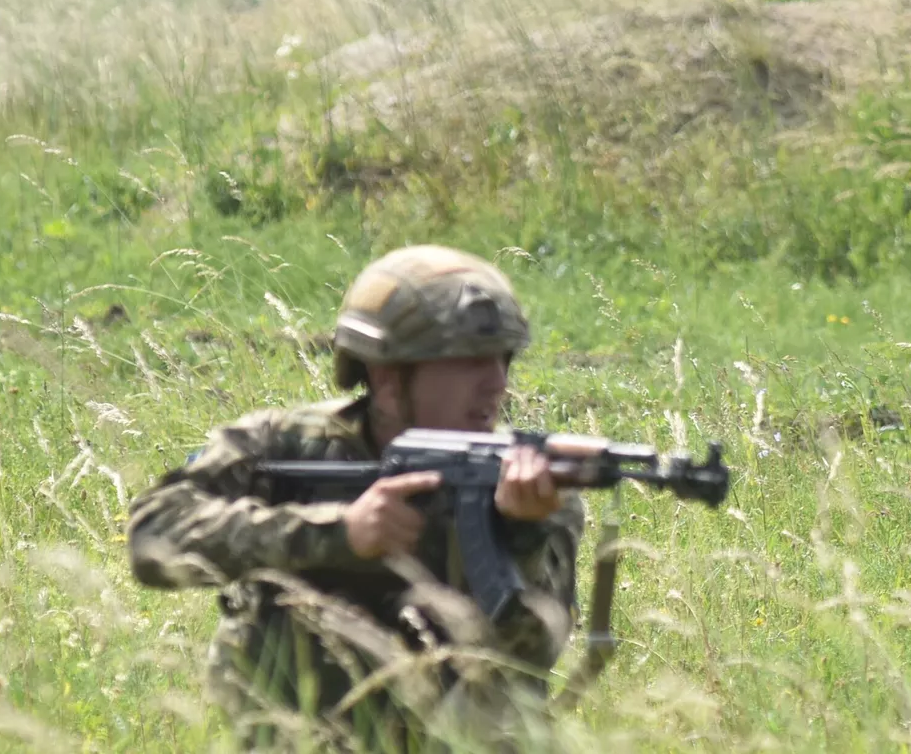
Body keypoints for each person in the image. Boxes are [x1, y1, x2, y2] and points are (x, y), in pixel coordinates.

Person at [128, 245, 584, 747]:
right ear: (388, 380)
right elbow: (152, 534)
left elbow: (528, 659)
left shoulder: (528, 483)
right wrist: (339, 532)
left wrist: (522, 535)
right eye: (468, 362)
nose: (496, 384)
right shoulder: (282, 444)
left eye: (503, 359)